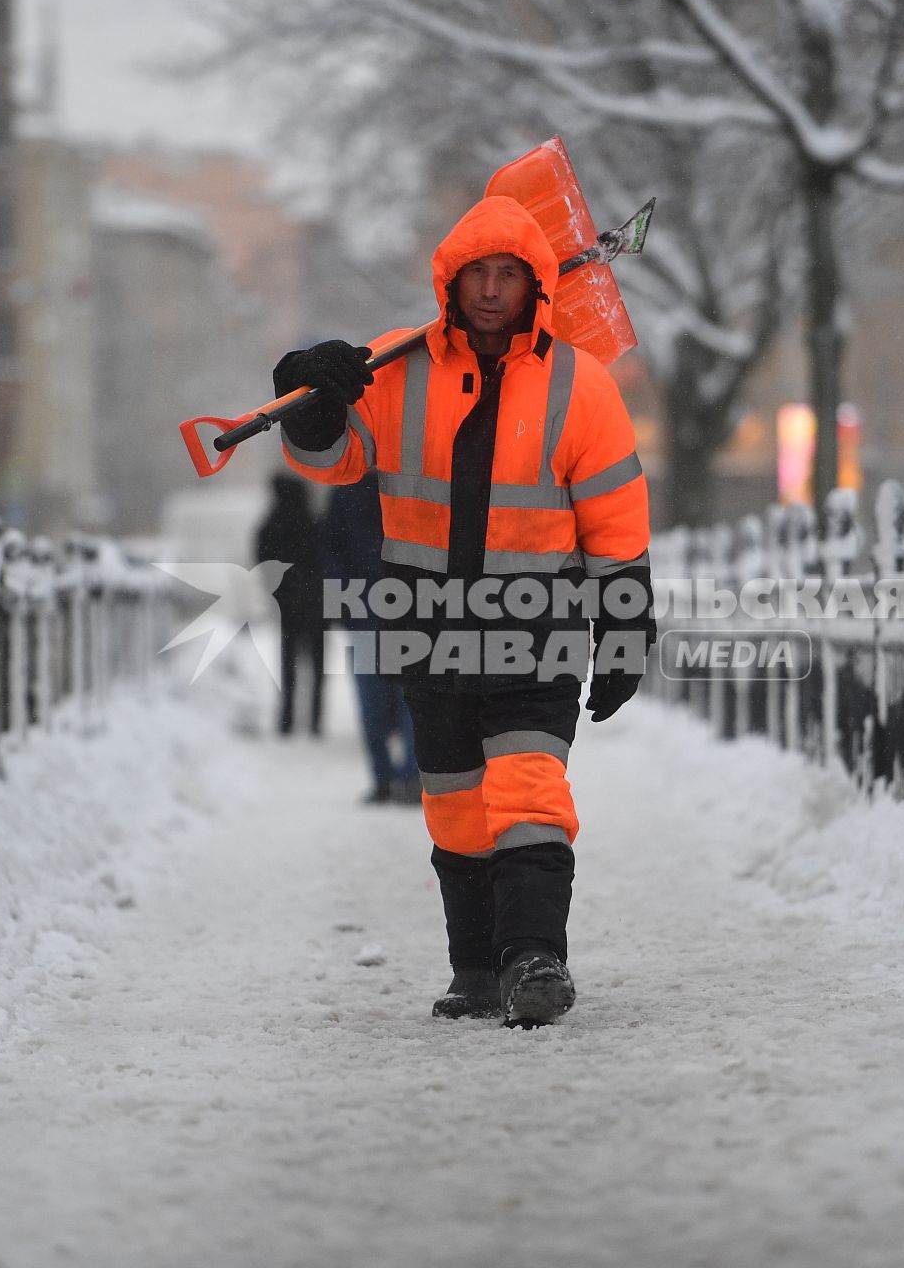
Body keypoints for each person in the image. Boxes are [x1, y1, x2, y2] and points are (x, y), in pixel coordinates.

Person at [271, 195, 654, 1028]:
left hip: (538, 633)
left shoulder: (579, 385)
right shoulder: (395, 369)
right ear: (450, 278)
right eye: (476, 273)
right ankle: (476, 968)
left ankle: (534, 959)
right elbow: (332, 460)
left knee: (528, 794)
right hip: (429, 632)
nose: (489, 290)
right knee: (454, 808)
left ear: (534, 282)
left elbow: (615, 516)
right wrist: (310, 395)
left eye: (507, 274)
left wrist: (623, 623)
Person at [322, 473, 420, 804]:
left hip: (364, 605)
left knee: (373, 699)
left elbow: (330, 552)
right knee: (411, 698)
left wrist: (343, 603)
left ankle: (384, 778)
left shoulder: (345, 492)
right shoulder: (410, 485)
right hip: (409, 606)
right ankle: (409, 777)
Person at [253, 472, 325, 737]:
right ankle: (316, 720)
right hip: (317, 604)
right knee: (318, 665)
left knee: (289, 664)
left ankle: (287, 719)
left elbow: (263, 562)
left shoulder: (272, 524)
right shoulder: (314, 522)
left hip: (288, 606)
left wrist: (278, 590)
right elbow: (324, 559)